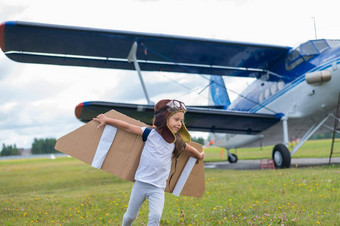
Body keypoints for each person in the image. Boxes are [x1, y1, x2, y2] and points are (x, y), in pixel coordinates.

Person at [93, 99, 204, 226]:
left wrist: (199, 155)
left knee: (155, 216)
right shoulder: (150, 134)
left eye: (181, 121)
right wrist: (108, 120)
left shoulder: (176, 142)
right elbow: (127, 127)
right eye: (176, 119)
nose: (179, 124)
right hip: (141, 184)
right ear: (164, 118)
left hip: (158, 188)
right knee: (130, 216)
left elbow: (189, 149)